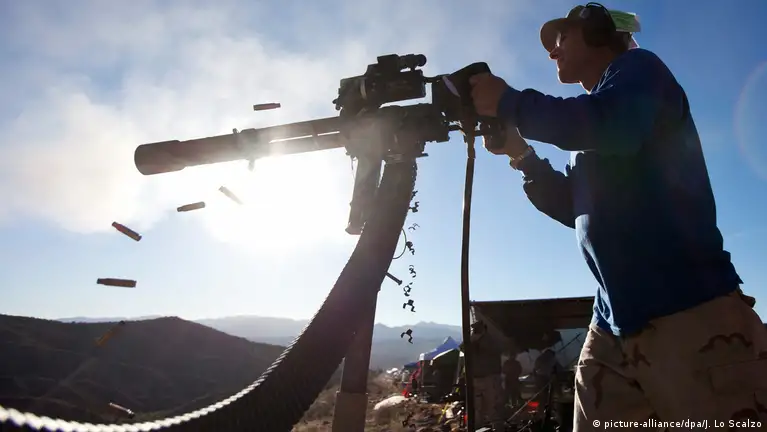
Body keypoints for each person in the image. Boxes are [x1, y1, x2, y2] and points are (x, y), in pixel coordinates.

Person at [468, 2, 767, 430]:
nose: (552, 51)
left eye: (562, 37)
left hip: (691, 312)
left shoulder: (641, 70)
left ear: (598, 32)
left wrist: (509, 103)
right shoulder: (593, 126)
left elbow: (610, 125)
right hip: (613, 321)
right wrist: (521, 155)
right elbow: (574, 206)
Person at [469, 321, 505, 429]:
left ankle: (497, 428)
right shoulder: (473, 340)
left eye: (477, 329)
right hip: (475, 378)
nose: (475, 331)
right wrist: (472, 340)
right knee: (477, 407)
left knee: (491, 406)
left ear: (483, 329)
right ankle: (478, 427)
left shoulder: (489, 341)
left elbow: (489, 351)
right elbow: (462, 348)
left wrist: (475, 341)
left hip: (488, 377)